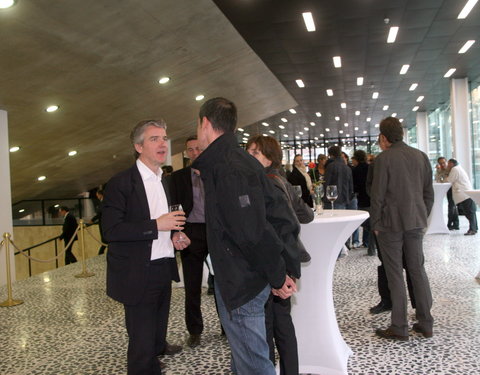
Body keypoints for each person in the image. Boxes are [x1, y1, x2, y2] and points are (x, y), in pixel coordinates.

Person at [192, 97, 299, 375]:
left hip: (242, 282)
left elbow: (253, 232)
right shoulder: (230, 163)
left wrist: (278, 276)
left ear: (205, 123)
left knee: (253, 365)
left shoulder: (231, 168)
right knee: (244, 362)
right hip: (239, 278)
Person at [102, 119, 190, 375]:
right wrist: (156, 226)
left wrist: (175, 235)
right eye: (154, 139)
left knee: (155, 332)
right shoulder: (120, 183)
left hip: (164, 267)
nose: (162, 143)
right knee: (140, 346)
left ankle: (154, 359)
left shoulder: (165, 180)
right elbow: (110, 231)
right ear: (138, 147)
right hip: (136, 272)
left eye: (164, 138)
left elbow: (165, 223)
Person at [246, 135, 313, 375]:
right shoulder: (282, 181)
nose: (250, 157)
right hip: (284, 261)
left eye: (256, 153)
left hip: (273, 263)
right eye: (249, 152)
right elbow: (307, 215)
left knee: (269, 326)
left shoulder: (264, 183)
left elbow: (274, 228)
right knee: (282, 325)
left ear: (270, 157)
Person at [371, 116, 434, 341]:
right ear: (403, 134)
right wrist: (422, 215)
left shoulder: (383, 159)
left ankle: (399, 327)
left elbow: (377, 196)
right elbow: (429, 193)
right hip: (415, 222)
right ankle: (426, 323)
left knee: (395, 273)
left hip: (390, 225)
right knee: (418, 270)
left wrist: (376, 223)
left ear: (383, 137)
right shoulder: (421, 156)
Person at [169, 135, 209, 348]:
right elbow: (173, 208)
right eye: (190, 150)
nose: (194, 153)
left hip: (215, 232)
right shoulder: (177, 178)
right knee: (192, 285)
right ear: (186, 153)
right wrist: (178, 231)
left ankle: (226, 328)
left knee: (223, 284)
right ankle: (194, 330)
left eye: (198, 148)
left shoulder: (216, 174)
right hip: (190, 233)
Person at [446, 159, 477, 235]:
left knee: (469, 212)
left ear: (452, 164)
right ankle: (474, 228)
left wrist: (446, 178)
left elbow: (450, 180)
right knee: (470, 212)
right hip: (466, 194)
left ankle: (472, 229)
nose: (448, 165)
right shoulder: (458, 168)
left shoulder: (454, 169)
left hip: (464, 194)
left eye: (449, 163)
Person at [352, 150, 374, 254]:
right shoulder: (370, 167)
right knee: (371, 224)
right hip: (371, 199)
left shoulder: (356, 170)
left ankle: (371, 246)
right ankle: (370, 246)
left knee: (368, 224)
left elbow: (355, 186)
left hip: (362, 200)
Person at [436, 157, 459, 230]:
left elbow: (448, 180)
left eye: (443, 162)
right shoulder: (441, 170)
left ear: (446, 162)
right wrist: (438, 171)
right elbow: (438, 180)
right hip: (448, 190)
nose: (442, 164)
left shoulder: (452, 169)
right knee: (452, 207)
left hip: (454, 189)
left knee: (451, 207)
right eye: (440, 163)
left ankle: (450, 224)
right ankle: (455, 224)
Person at [90, 189, 107, 255]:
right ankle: (101, 252)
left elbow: (100, 213)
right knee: (104, 239)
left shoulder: (104, 202)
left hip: (104, 223)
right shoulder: (102, 202)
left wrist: (93, 219)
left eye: (97, 195)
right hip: (102, 223)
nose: (97, 197)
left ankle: (100, 253)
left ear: (100, 195)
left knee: (104, 239)